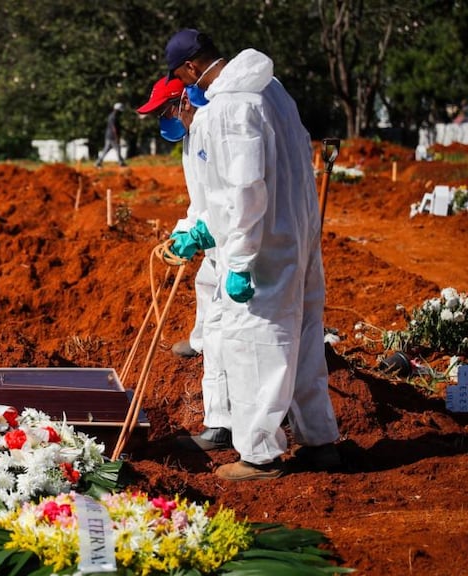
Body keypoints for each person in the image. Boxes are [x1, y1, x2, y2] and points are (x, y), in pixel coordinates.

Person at [165, 29, 341, 480]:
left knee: (255, 347)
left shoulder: (228, 108)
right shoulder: (273, 90)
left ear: (189, 69)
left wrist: (237, 259)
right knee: (303, 340)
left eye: (183, 78)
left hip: (262, 250)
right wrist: (204, 228)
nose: (189, 89)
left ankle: (260, 456)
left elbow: (244, 191)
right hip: (298, 239)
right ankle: (320, 442)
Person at [137, 76, 231, 452]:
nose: (162, 119)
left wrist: (202, 233)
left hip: (234, 240)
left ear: (184, 102)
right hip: (214, 238)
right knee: (205, 284)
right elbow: (201, 202)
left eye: (164, 111)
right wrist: (185, 233)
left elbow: (230, 198)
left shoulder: (214, 132)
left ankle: (220, 425)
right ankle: (197, 340)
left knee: (224, 332)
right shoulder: (191, 140)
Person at [95, 102, 126, 168]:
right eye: (120, 111)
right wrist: (117, 137)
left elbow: (118, 127)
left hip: (109, 136)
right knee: (117, 149)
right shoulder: (113, 117)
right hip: (112, 136)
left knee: (106, 150)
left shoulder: (113, 116)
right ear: (117, 110)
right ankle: (121, 163)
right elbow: (114, 128)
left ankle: (98, 162)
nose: (121, 113)